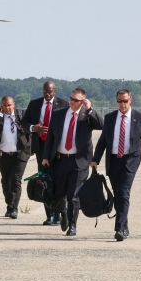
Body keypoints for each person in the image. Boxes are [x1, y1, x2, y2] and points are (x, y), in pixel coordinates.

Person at [92, 89, 141, 241]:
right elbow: (102, 141)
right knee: (117, 194)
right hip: (113, 161)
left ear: (130, 100)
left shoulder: (139, 118)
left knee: (123, 192)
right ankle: (124, 227)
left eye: (125, 101)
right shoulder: (110, 118)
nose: (122, 104)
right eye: (119, 101)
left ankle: (119, 228)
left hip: (130, 161)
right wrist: (95, 159)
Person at [42, 88, 103, 236]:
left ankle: (73, 225)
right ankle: (63, 213)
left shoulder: (87, 116)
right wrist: (45, 157)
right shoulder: (58, 114)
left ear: (82, 102)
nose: (72, 101)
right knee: (58, 193)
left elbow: (101, 125)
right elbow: (50, 137)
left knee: (73, 195)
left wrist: (90, 109)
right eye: (71, 98)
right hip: (60, 160)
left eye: (76, 100)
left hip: (79, 162)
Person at [21, 81, 69, 225]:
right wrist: (33, 128)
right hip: (41, 148)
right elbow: (24, 123)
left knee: (59, 181)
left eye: (50, 92)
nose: (47, 95)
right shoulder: (34, 104)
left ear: (55, 91)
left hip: (58, 149)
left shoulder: (63, 104)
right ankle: (51, 215)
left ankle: (61, 213)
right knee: (45, 180)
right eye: (44, 92)